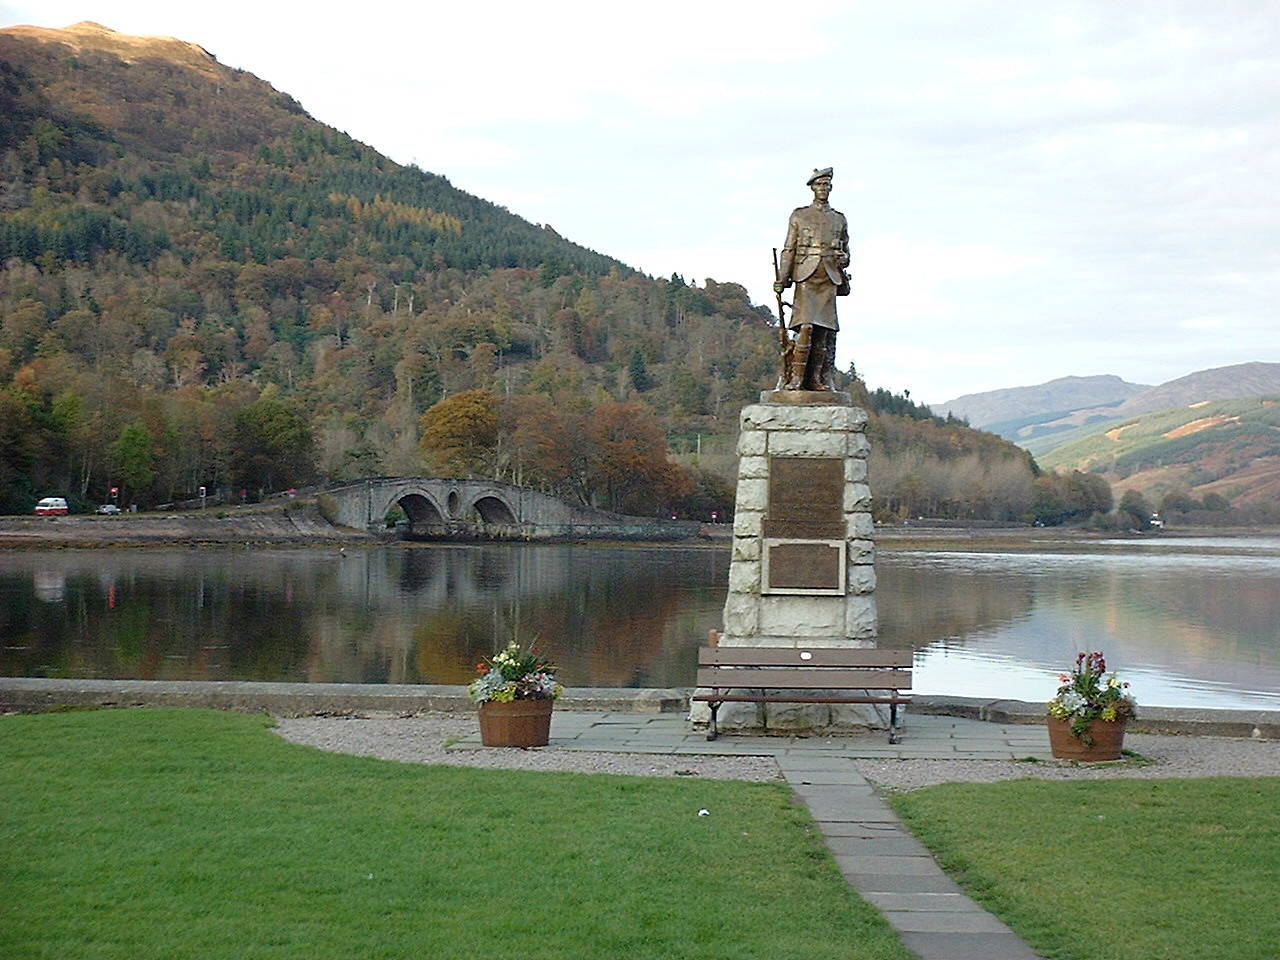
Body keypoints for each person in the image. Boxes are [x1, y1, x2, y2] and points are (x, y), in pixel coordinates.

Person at [773, 167, 849, 391]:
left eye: (826, 185)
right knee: (805, 327)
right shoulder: (800, 215)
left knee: (823, 331)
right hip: (806, 276)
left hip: (829, 276)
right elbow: (789, 249)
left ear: (831, 188)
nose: (823, 189)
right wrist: (782, 278)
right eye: (819, 185)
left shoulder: (839, 219)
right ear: (812, 188)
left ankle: (817, 379)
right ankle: (796, 378)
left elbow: (847, 253)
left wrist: (843, 259)